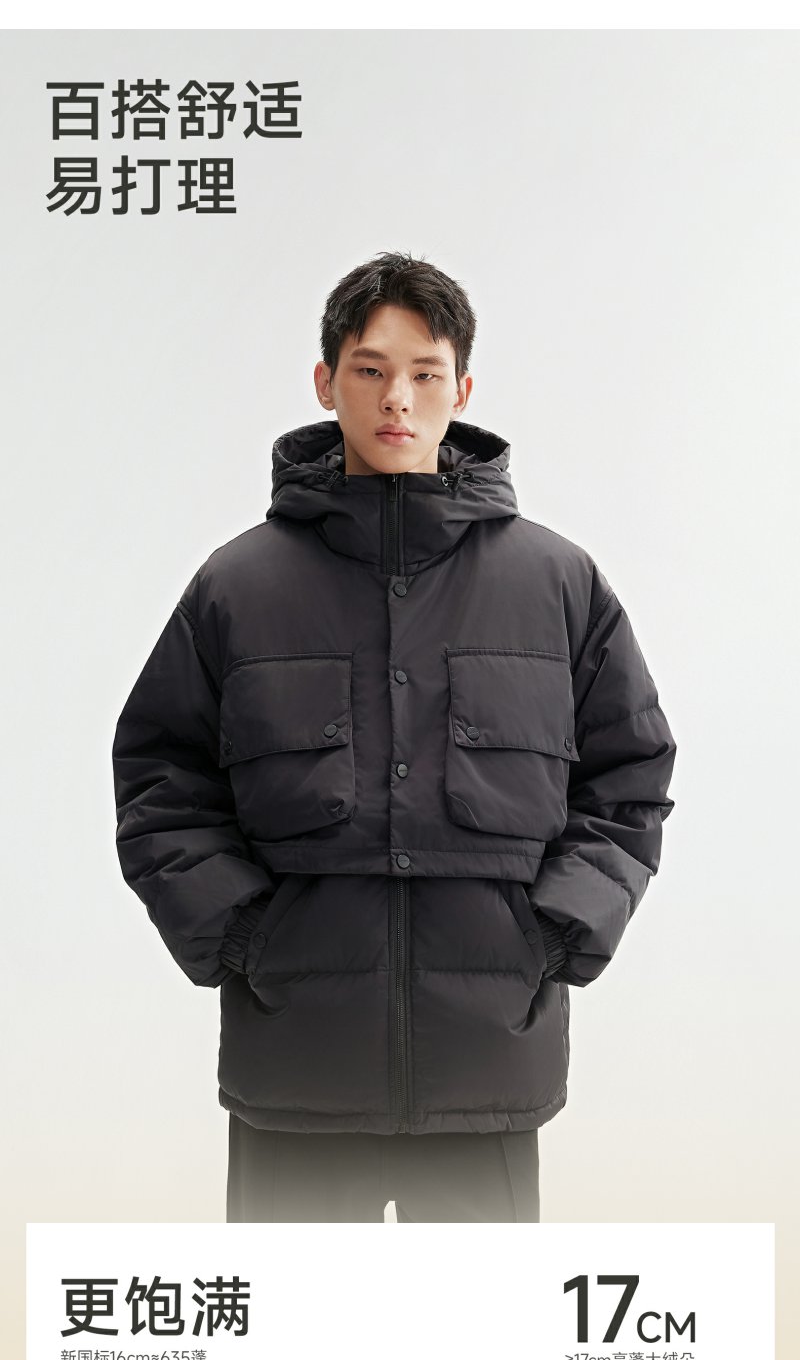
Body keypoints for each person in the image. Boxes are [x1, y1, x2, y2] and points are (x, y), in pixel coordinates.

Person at [112, 250, 677, 1224]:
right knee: (289, 1311)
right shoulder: (238, 587)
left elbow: (630, 775)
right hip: (298, 1069)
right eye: (370, 370)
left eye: (424, 373)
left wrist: (554, 934)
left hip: (486, 1072)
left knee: (479, 1312)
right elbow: (160, 777)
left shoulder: (556, 584)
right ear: (325, 381)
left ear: (463, 389)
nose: (397, 400)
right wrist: (241, 934)